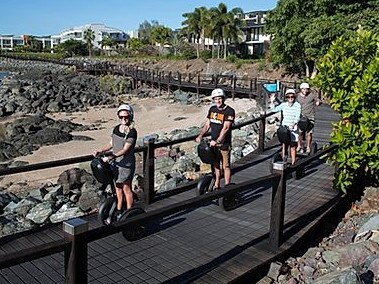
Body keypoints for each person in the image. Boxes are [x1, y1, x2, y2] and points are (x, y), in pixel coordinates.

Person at [94, 104, 137, 219]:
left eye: (126, 117)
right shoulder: (116, 128)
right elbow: (111, 143)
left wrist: (111, 156)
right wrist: (100, 150)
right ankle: (118, 209)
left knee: (126, 187)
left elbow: (125, 149)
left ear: (130, 116)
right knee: (117, 186)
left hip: (126, 164)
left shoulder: (132, 132)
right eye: (121, 117)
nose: (124, 119)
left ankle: (129, 212)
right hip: (116, 163)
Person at [195, 88, 235, 190]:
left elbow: (226, 128)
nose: (218, 101)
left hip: (223, 144)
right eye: (216, 99)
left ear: (223, 98)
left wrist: (218, 140)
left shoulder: (229, 111)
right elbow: (207, 124)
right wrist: (200, 135)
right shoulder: (212, 109)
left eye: (220, 98)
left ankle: (227, 186)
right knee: (215, 164)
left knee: (225, 166)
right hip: (213, 143)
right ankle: (216, 184)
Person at [269, 89, 301, 165]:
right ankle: (283, 159)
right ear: (286, 97)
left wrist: (294, 123)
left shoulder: (297, 105)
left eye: (292, 97)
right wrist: (272, 101)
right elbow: (274, 110)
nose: (290, 98)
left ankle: (294, 162)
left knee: (293, 146)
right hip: (285, 127)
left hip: (293, 127)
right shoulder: (283, 105)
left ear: (294, 97)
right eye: (288, 97)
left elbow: (298, 116)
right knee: (284, 144)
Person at [296, 82, 321, 154]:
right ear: (301, 89)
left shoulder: (311, 95)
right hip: (301, 116)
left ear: (308, 89)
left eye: (306, 89)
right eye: (303, 89)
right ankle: (299, 145)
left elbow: (318, 100)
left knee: (309, 133)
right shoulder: (297, 96)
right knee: (300, 132)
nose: (304, 90)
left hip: (310, 116)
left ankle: (308, 147)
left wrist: (318, 102)